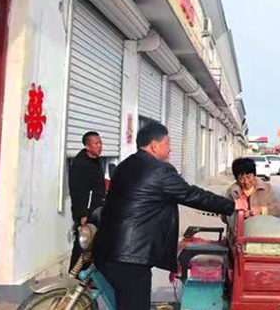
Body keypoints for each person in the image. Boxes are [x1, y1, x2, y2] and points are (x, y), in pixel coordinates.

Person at [94, 122, 235, 310]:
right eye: (167, 143)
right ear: (154, 145)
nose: (170, 149)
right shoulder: (160, 170)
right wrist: (232, 205)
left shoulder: (125, 165)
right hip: (130, 258)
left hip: (106, 249)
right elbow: (193, 195)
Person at [68, 131, 106, 270]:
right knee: (83, 243)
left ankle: (88, 275)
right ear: (87, 146)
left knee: (93, 243)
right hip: (86, 211)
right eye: (96, 143)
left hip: (96, 207)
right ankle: (75, 273)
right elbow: (77, 191)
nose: (100, 146)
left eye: (100, 142)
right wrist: (83, 213)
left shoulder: (96, 160)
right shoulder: (81, 164)